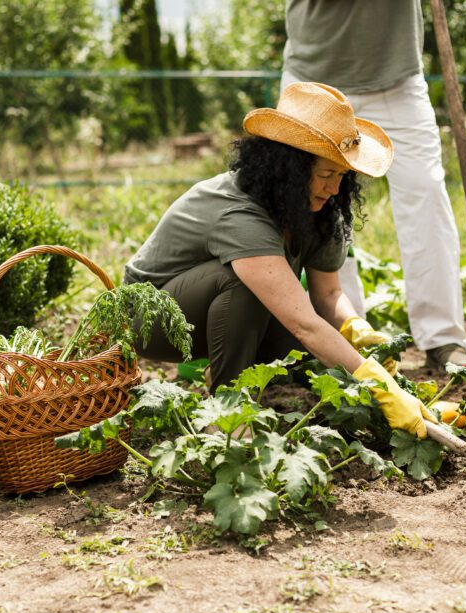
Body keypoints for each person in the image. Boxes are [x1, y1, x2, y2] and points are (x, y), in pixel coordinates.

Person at [123, 82, 437, 439]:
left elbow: (328, 295)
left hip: (215, 312)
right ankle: (229, 413)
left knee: (312, 354)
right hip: (150, 320)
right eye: (325, 174)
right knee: (250, 289)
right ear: (289, 169)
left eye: (342, 175)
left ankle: (229, 370)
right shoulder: (240, 214)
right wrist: (379, 387)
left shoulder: (319, 207)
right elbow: (304, 321)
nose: (335, 188)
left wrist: (354, 328)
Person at [282, 0, 466, 371]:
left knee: (426, 190)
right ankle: (343, 338)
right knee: (316, 202)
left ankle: (443, 337)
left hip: (396, 78)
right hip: (314, 77)